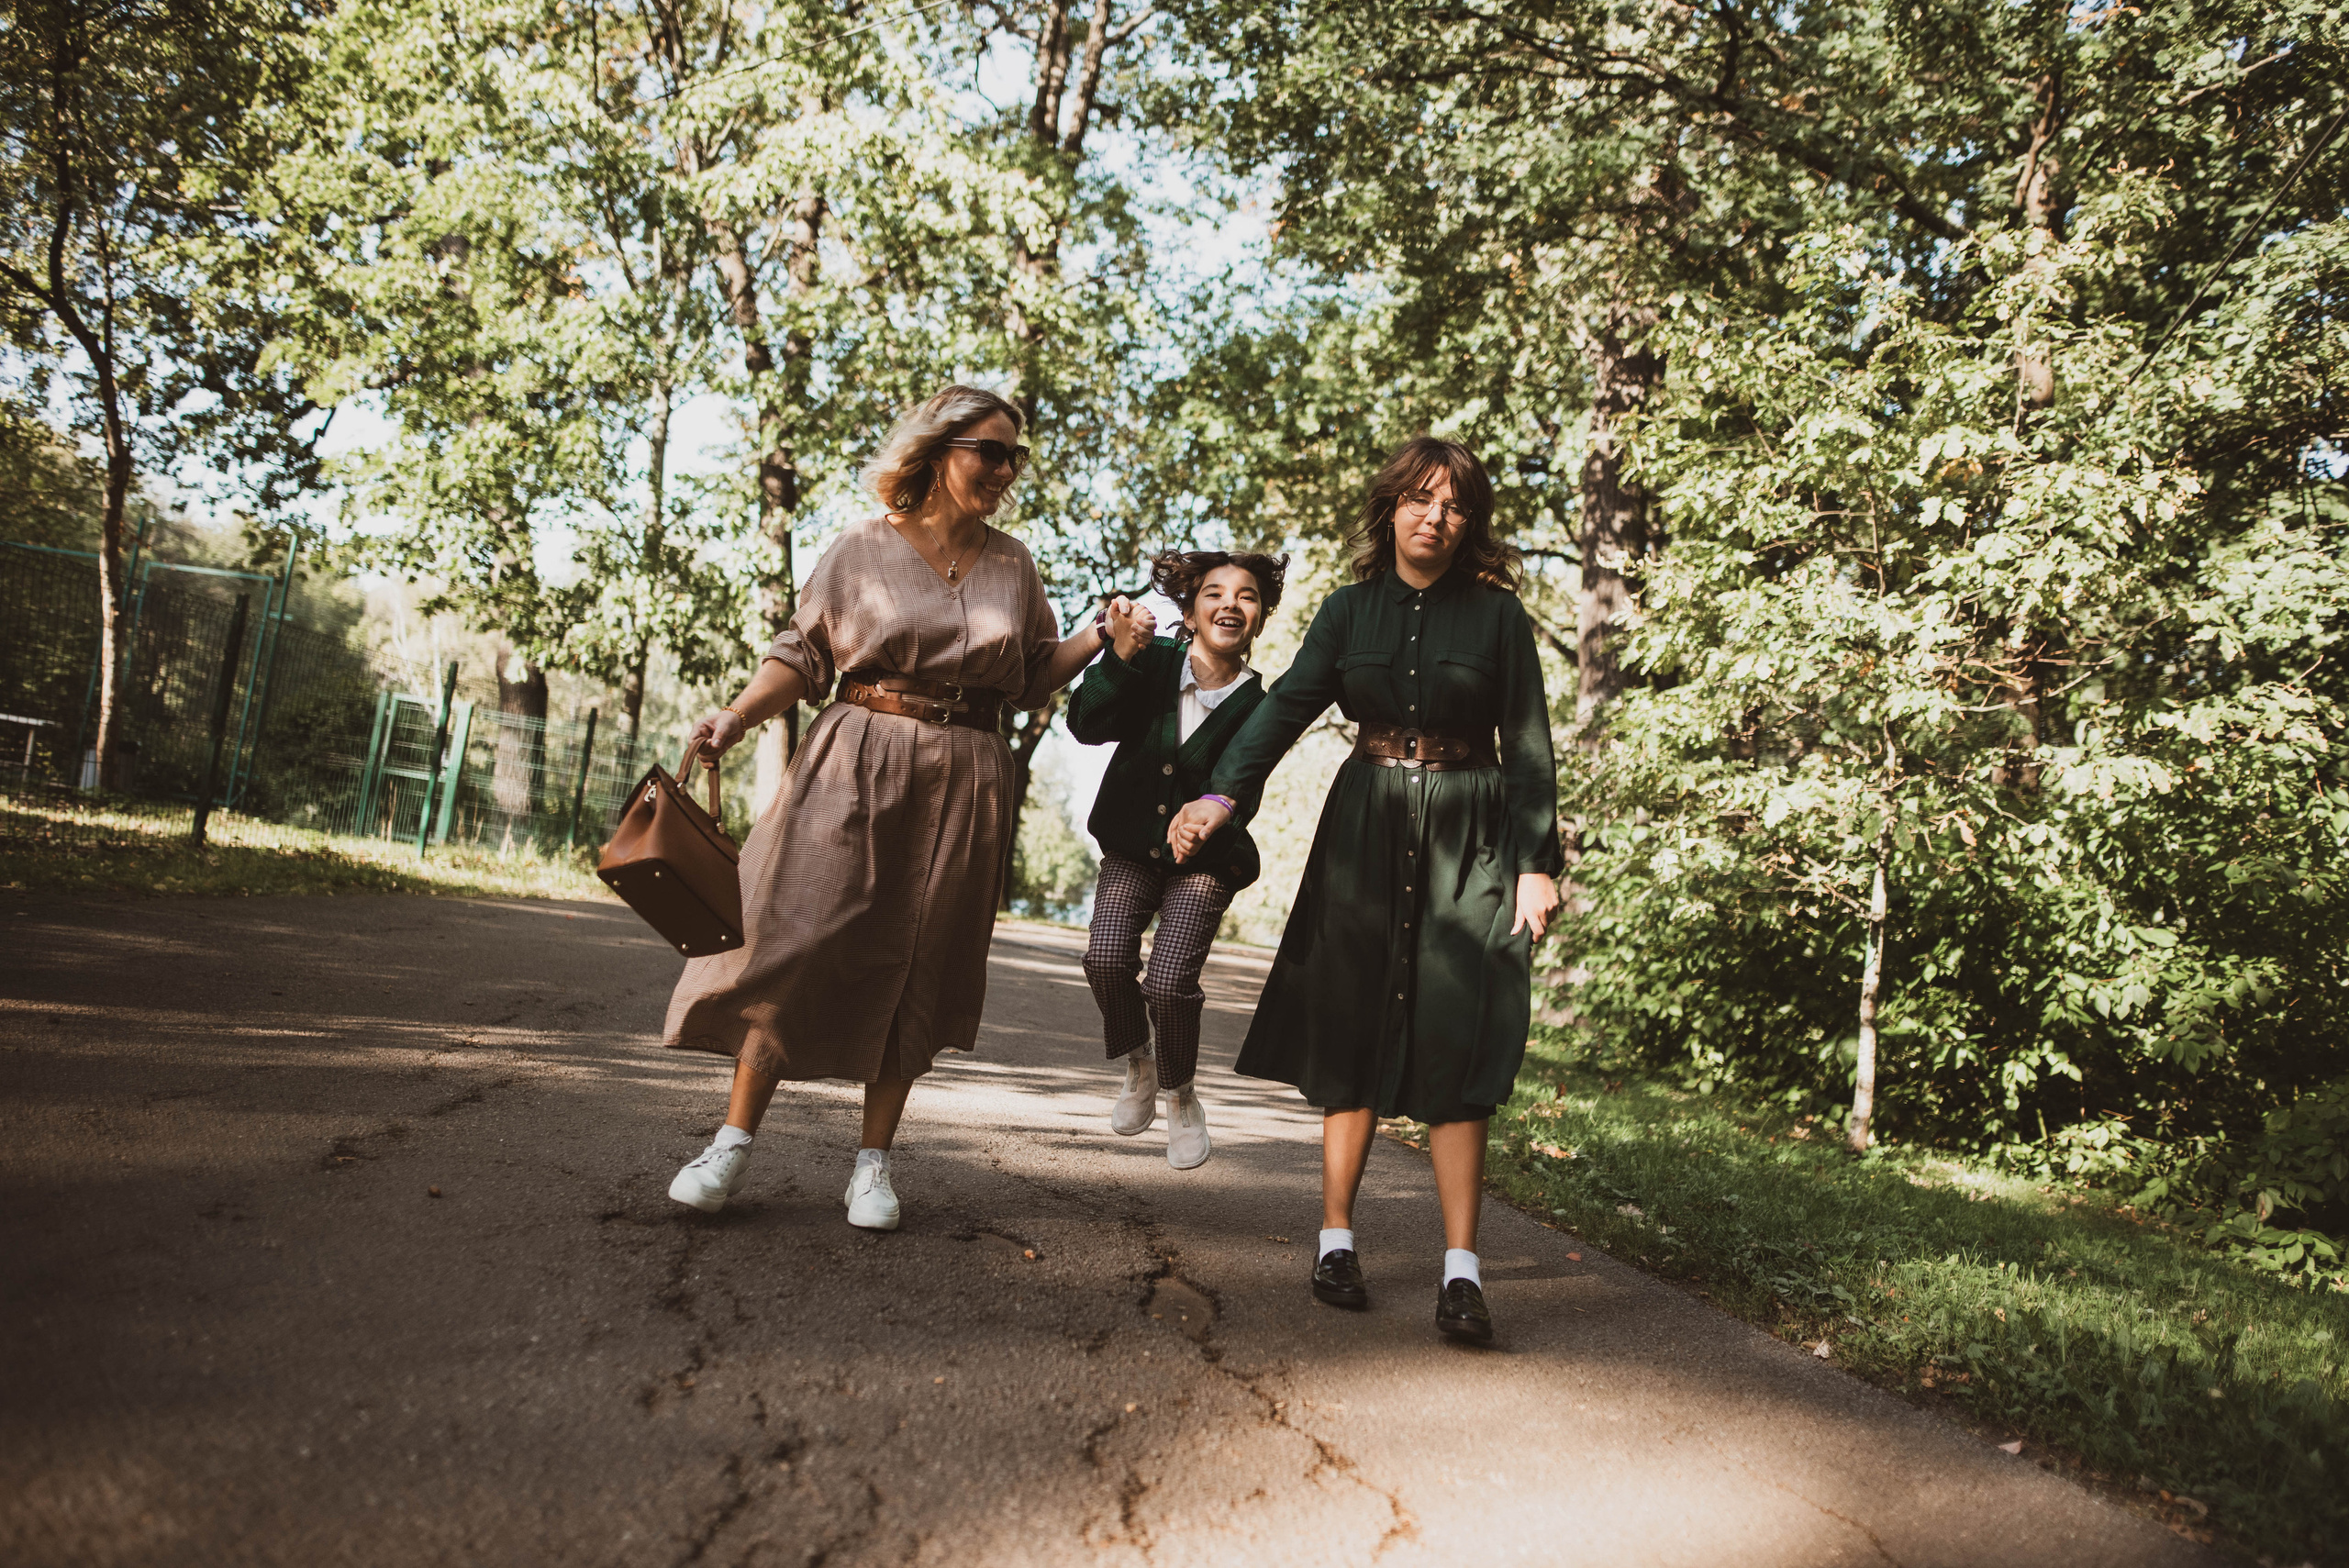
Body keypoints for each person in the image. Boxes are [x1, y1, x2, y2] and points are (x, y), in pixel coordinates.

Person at [658, 384, 1143, 1229]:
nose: (1005, 469)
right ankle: (731, 1141)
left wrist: (1101, 636)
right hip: (857, 756)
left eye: (1015, 456)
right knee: (796, 937)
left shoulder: (1014, 563)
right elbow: (802, 655)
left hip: (969, 773)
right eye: (990, 451)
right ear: (939, 450)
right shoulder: (861, 546)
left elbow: (1031, 676)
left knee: (924, 956)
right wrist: (737, 715)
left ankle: (873, 1164)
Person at [1167, 437, 1561, 1343]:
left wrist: (1535, 862)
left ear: (1470, 522)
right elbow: (1284, 707)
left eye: (1454, 505)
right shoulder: (1348, 612)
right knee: (1350, 1024)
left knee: (1458, 1035)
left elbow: (1529, 739)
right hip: (1365, 829)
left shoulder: (1498, 618)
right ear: (1391, 508)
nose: (1435, 517)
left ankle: (1461, 1272)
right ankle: (1335, 1241)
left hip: (1472, 833)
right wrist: (1222, 794)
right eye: (1420, 499)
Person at [1068, 548, 1289, 1169]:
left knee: (1168, 983)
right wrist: (1118, 655)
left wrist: (1207, 823)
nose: (1230, 604)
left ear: (1260, 619)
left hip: (1206, 864)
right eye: (1214, 593)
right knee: (1105, 958)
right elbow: (1086, 723)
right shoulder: (1153, 660)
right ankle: (1139, 1061)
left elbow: (1244, 787)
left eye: (1247, 596)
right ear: (1189, 614)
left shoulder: (1263, 705)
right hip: (1130, 847)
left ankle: (1180, 1091)